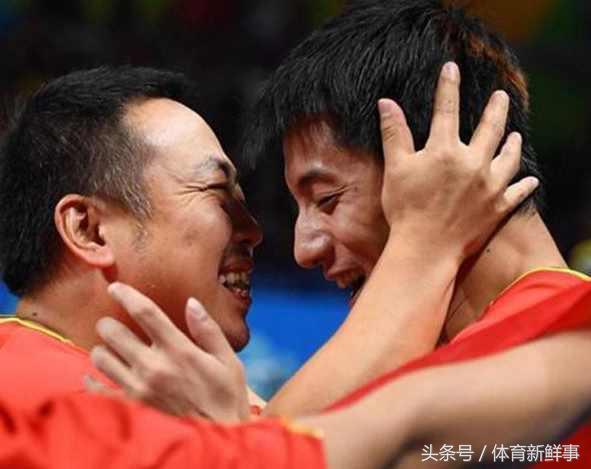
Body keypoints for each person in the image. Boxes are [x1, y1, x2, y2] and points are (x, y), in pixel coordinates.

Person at [0, 60, 531, 417]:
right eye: (217, 194)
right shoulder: (35, 404)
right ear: (89, 230)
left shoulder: (172, 401)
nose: (255, 232)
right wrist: (426, 240)